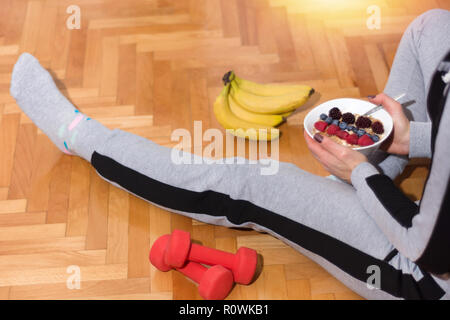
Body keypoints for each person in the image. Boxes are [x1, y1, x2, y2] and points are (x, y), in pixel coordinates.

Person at [9, 9, 449, 299]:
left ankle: (78, 137)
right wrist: (415, 140)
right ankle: (366, 174)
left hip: (423, 270)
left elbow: (426, 248)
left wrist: (359, 175)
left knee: (253, 184)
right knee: (432, 29)